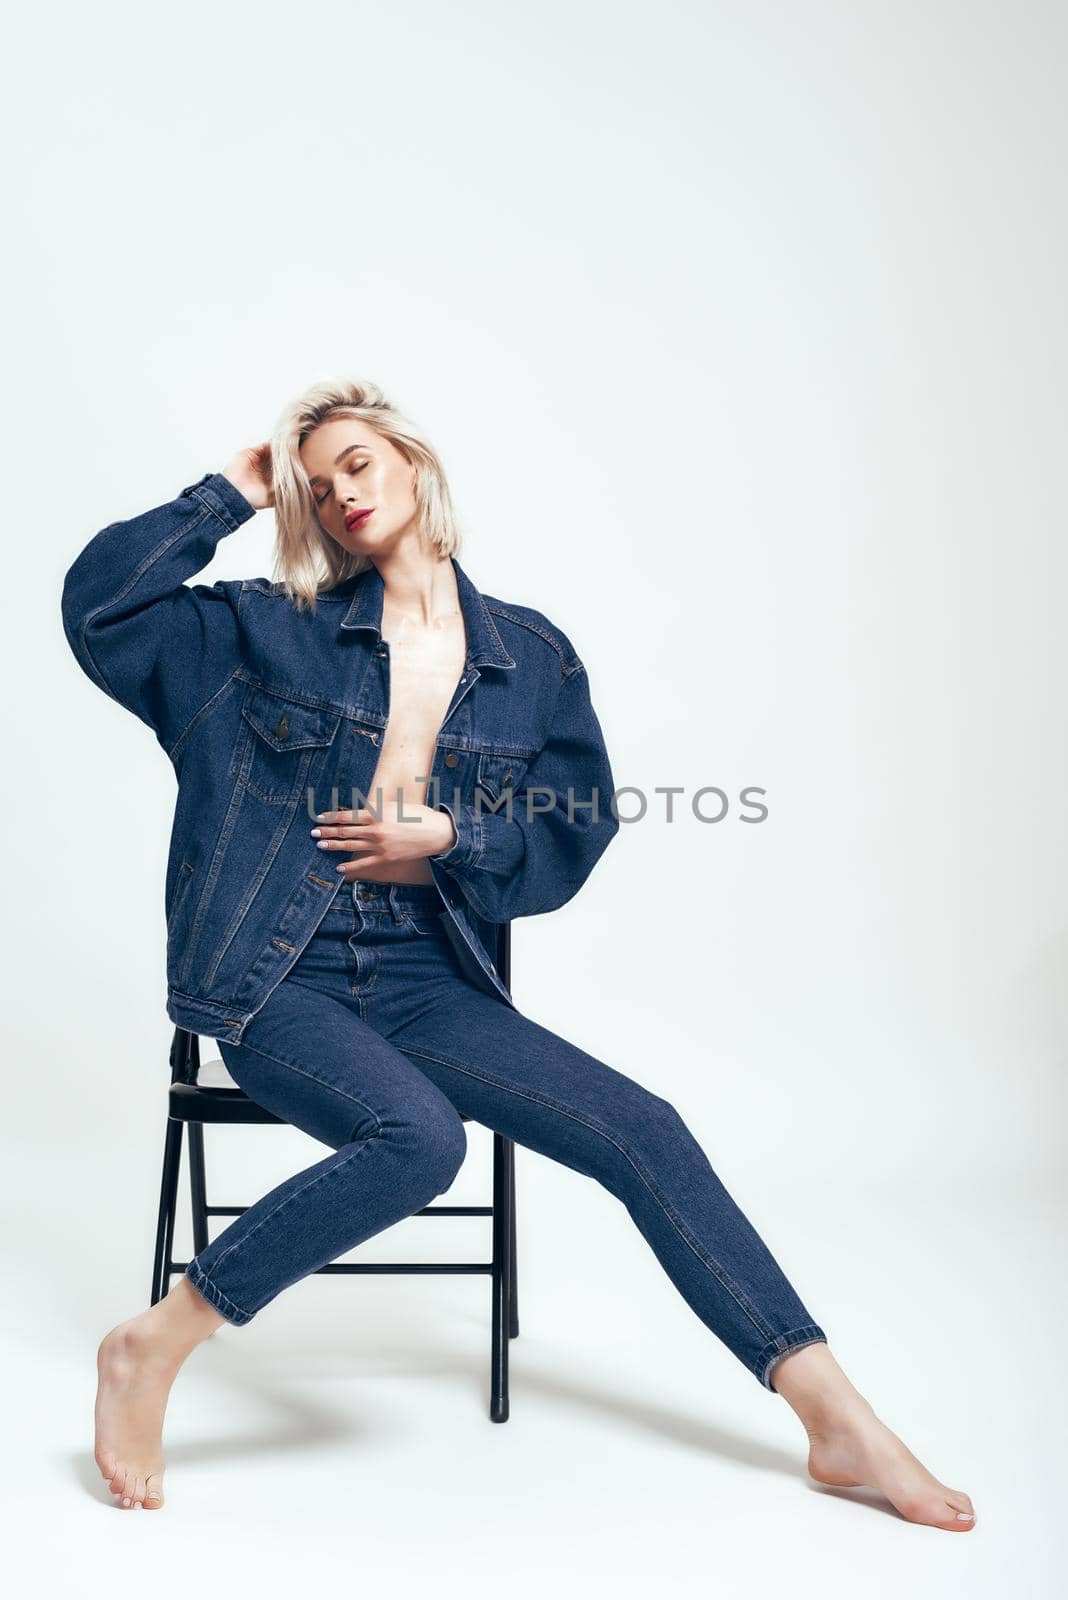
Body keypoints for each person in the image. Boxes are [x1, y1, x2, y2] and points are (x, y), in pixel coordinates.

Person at [64, 379, 974, 1528]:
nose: (340, 489)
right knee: (421, 1139)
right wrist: (228, 493)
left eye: (356, 460)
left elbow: (574, 823)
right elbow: (100, 611)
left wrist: (453, 833)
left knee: (643, 1129)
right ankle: (155, 1342)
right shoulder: (261, 628)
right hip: (275, 978)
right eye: (315, 478)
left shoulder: (532, 656)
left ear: (411, 459)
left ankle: (834, 1417)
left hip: (428, 979)